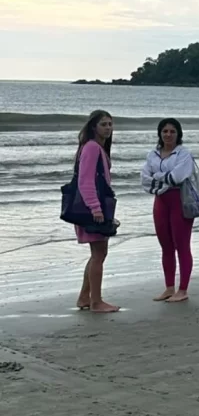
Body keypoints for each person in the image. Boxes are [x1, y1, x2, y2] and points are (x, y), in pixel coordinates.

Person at [141, 118, 196, 303]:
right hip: (160, 202)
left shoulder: (184, 154)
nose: (168, 134)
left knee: (182, 245)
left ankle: (183, 289)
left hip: (180, 201)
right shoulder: (152, 154)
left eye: (172, 131)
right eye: (165, 131)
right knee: (166, 246)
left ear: (178, 134)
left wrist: (157, 177)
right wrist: (163, 180)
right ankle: (169, 287)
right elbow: (144, 179)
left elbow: (178, 177)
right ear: (160, 133)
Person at [74, 110, 120, 313]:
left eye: (110, 124)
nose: (108, 128)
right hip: (92, 208)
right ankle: (96, 302)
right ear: (94, 127)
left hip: (96, 207)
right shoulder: (92, 147)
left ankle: (85, 297)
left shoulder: (96, 147)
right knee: (99, 253)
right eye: (103, 124)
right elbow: (85, 181)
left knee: (98, 253)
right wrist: (95, 208)